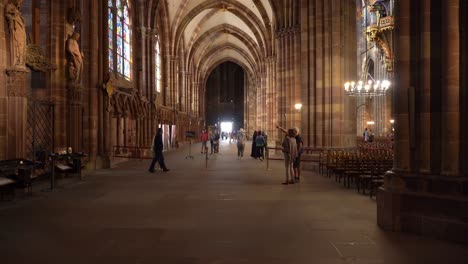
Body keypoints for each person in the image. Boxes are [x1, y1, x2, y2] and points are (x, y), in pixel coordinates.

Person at [5, 0, 27, 67]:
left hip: (21, 28)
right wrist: (14, 17)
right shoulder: (10, 6)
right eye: (20, 1)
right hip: (16, 28)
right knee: (17, 43)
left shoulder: (17, 10)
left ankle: (21, 62)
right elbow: (7, 15)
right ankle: (17, 61)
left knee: (22, 44)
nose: (20, 3)